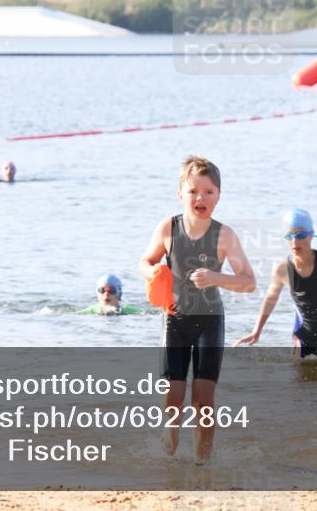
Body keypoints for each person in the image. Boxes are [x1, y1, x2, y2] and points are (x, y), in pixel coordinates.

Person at [138, 155, 255, 465]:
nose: (200, 198)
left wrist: (216, 277)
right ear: (180, 195)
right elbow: (145, 260)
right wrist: (151, 273)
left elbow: (249, 282)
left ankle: (203, 462)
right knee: (173, 396)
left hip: (210, 322)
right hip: (174, 320)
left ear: (218, 196)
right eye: (193, 191)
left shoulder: (225, 235)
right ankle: (171, 433)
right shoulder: (168, 228)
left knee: (203, 400)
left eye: (208, 192)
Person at [235, 208, 317, 358]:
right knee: (298, 377)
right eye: (289, 236)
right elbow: (270, 299)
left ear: (311, 236)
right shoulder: (282, 269)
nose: (294, 241)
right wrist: (256, 331)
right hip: (303, 335)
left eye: (301, 234)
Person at [78, 274, 143, 315]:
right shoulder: (89, 312)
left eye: (111, 290)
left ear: (119, 294)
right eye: (102, 290)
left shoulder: (132, 312)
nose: (106, 294)